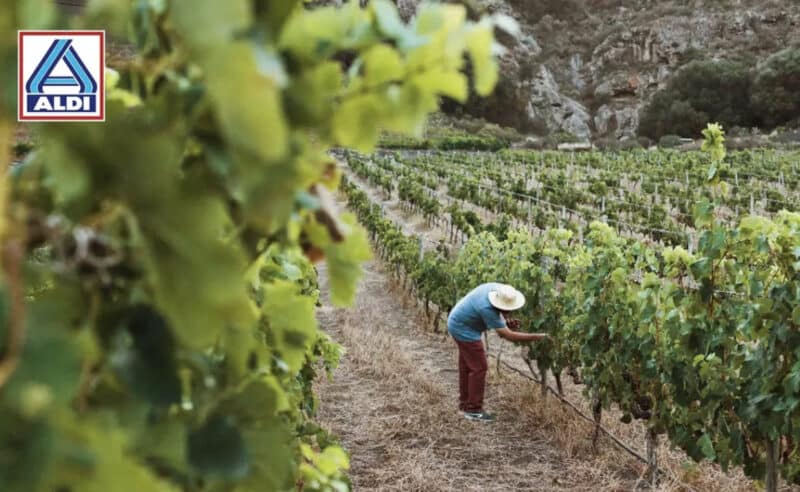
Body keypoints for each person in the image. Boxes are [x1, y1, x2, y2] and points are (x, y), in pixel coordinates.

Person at [447, 283, 548, 422]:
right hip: (463, 328)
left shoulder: (497, 290)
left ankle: (465, 405)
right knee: (479, 367)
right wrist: (538, 337)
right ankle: (474, 410)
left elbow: (500, 320)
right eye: (506, 310)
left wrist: (505, 322)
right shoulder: (487, 308)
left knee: (467, 367)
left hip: (457, 320)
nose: (508, 312)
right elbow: (508, 335)